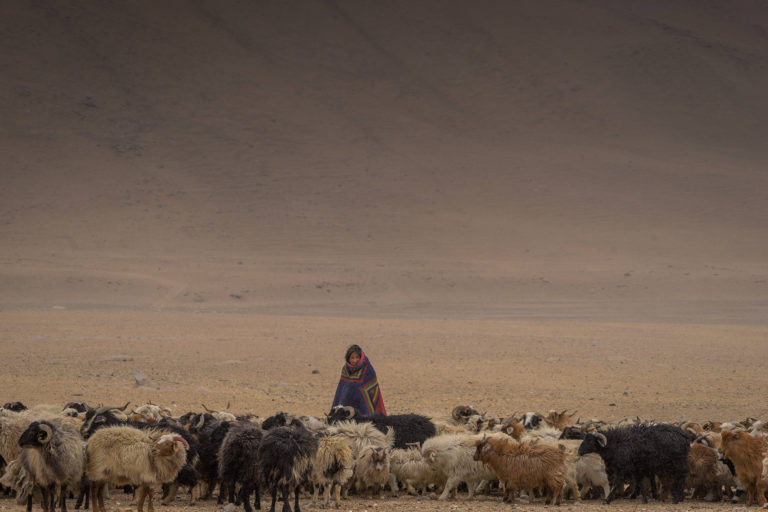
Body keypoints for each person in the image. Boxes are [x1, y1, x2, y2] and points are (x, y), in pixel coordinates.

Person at [331, 344, 386, 416]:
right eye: (352, 358)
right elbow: (341, 389)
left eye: (357, 357)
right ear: (348, 359)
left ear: (361, 358)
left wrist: (353, 387)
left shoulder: (368, 369)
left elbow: (369, 388)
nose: (355, 360)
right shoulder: (345, 369)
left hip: (363, 403)